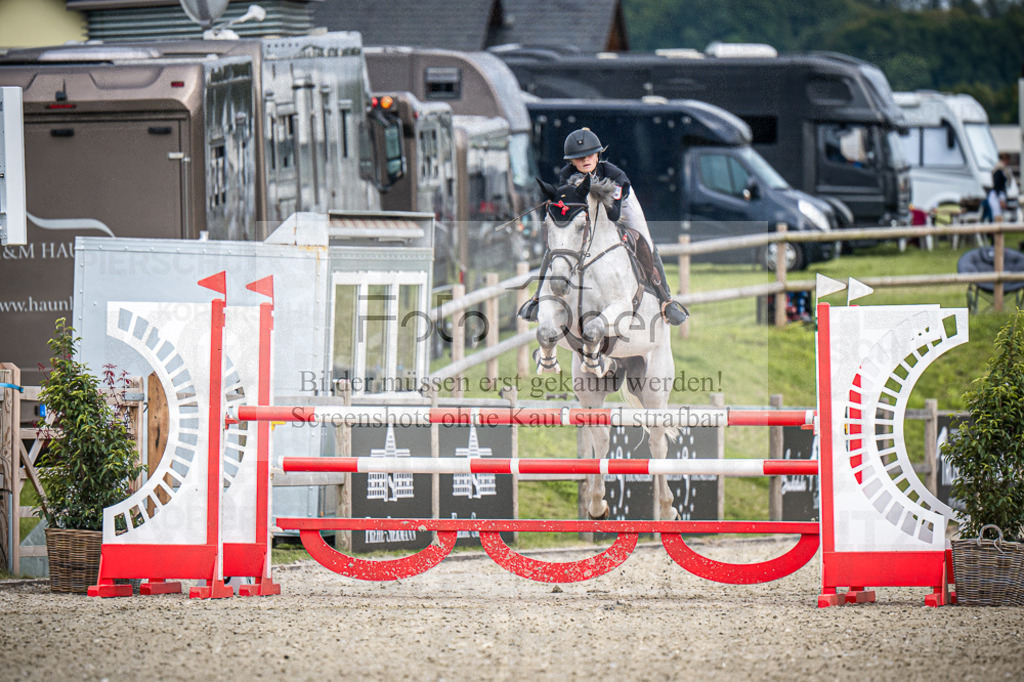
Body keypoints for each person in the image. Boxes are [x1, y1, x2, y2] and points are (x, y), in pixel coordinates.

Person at [519, 128, 689, 326]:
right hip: (589, 214)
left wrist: (593, 192)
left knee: (646, 242)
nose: (585, 160)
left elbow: (614, 214)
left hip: (621, 205)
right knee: (556, 245)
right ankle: (538, 298)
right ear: (571, 161)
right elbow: (570, 209)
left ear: (598, 154)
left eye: (590, 154)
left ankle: (666, 300)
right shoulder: (567, 174)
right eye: (579, 157)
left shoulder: (614, 174)